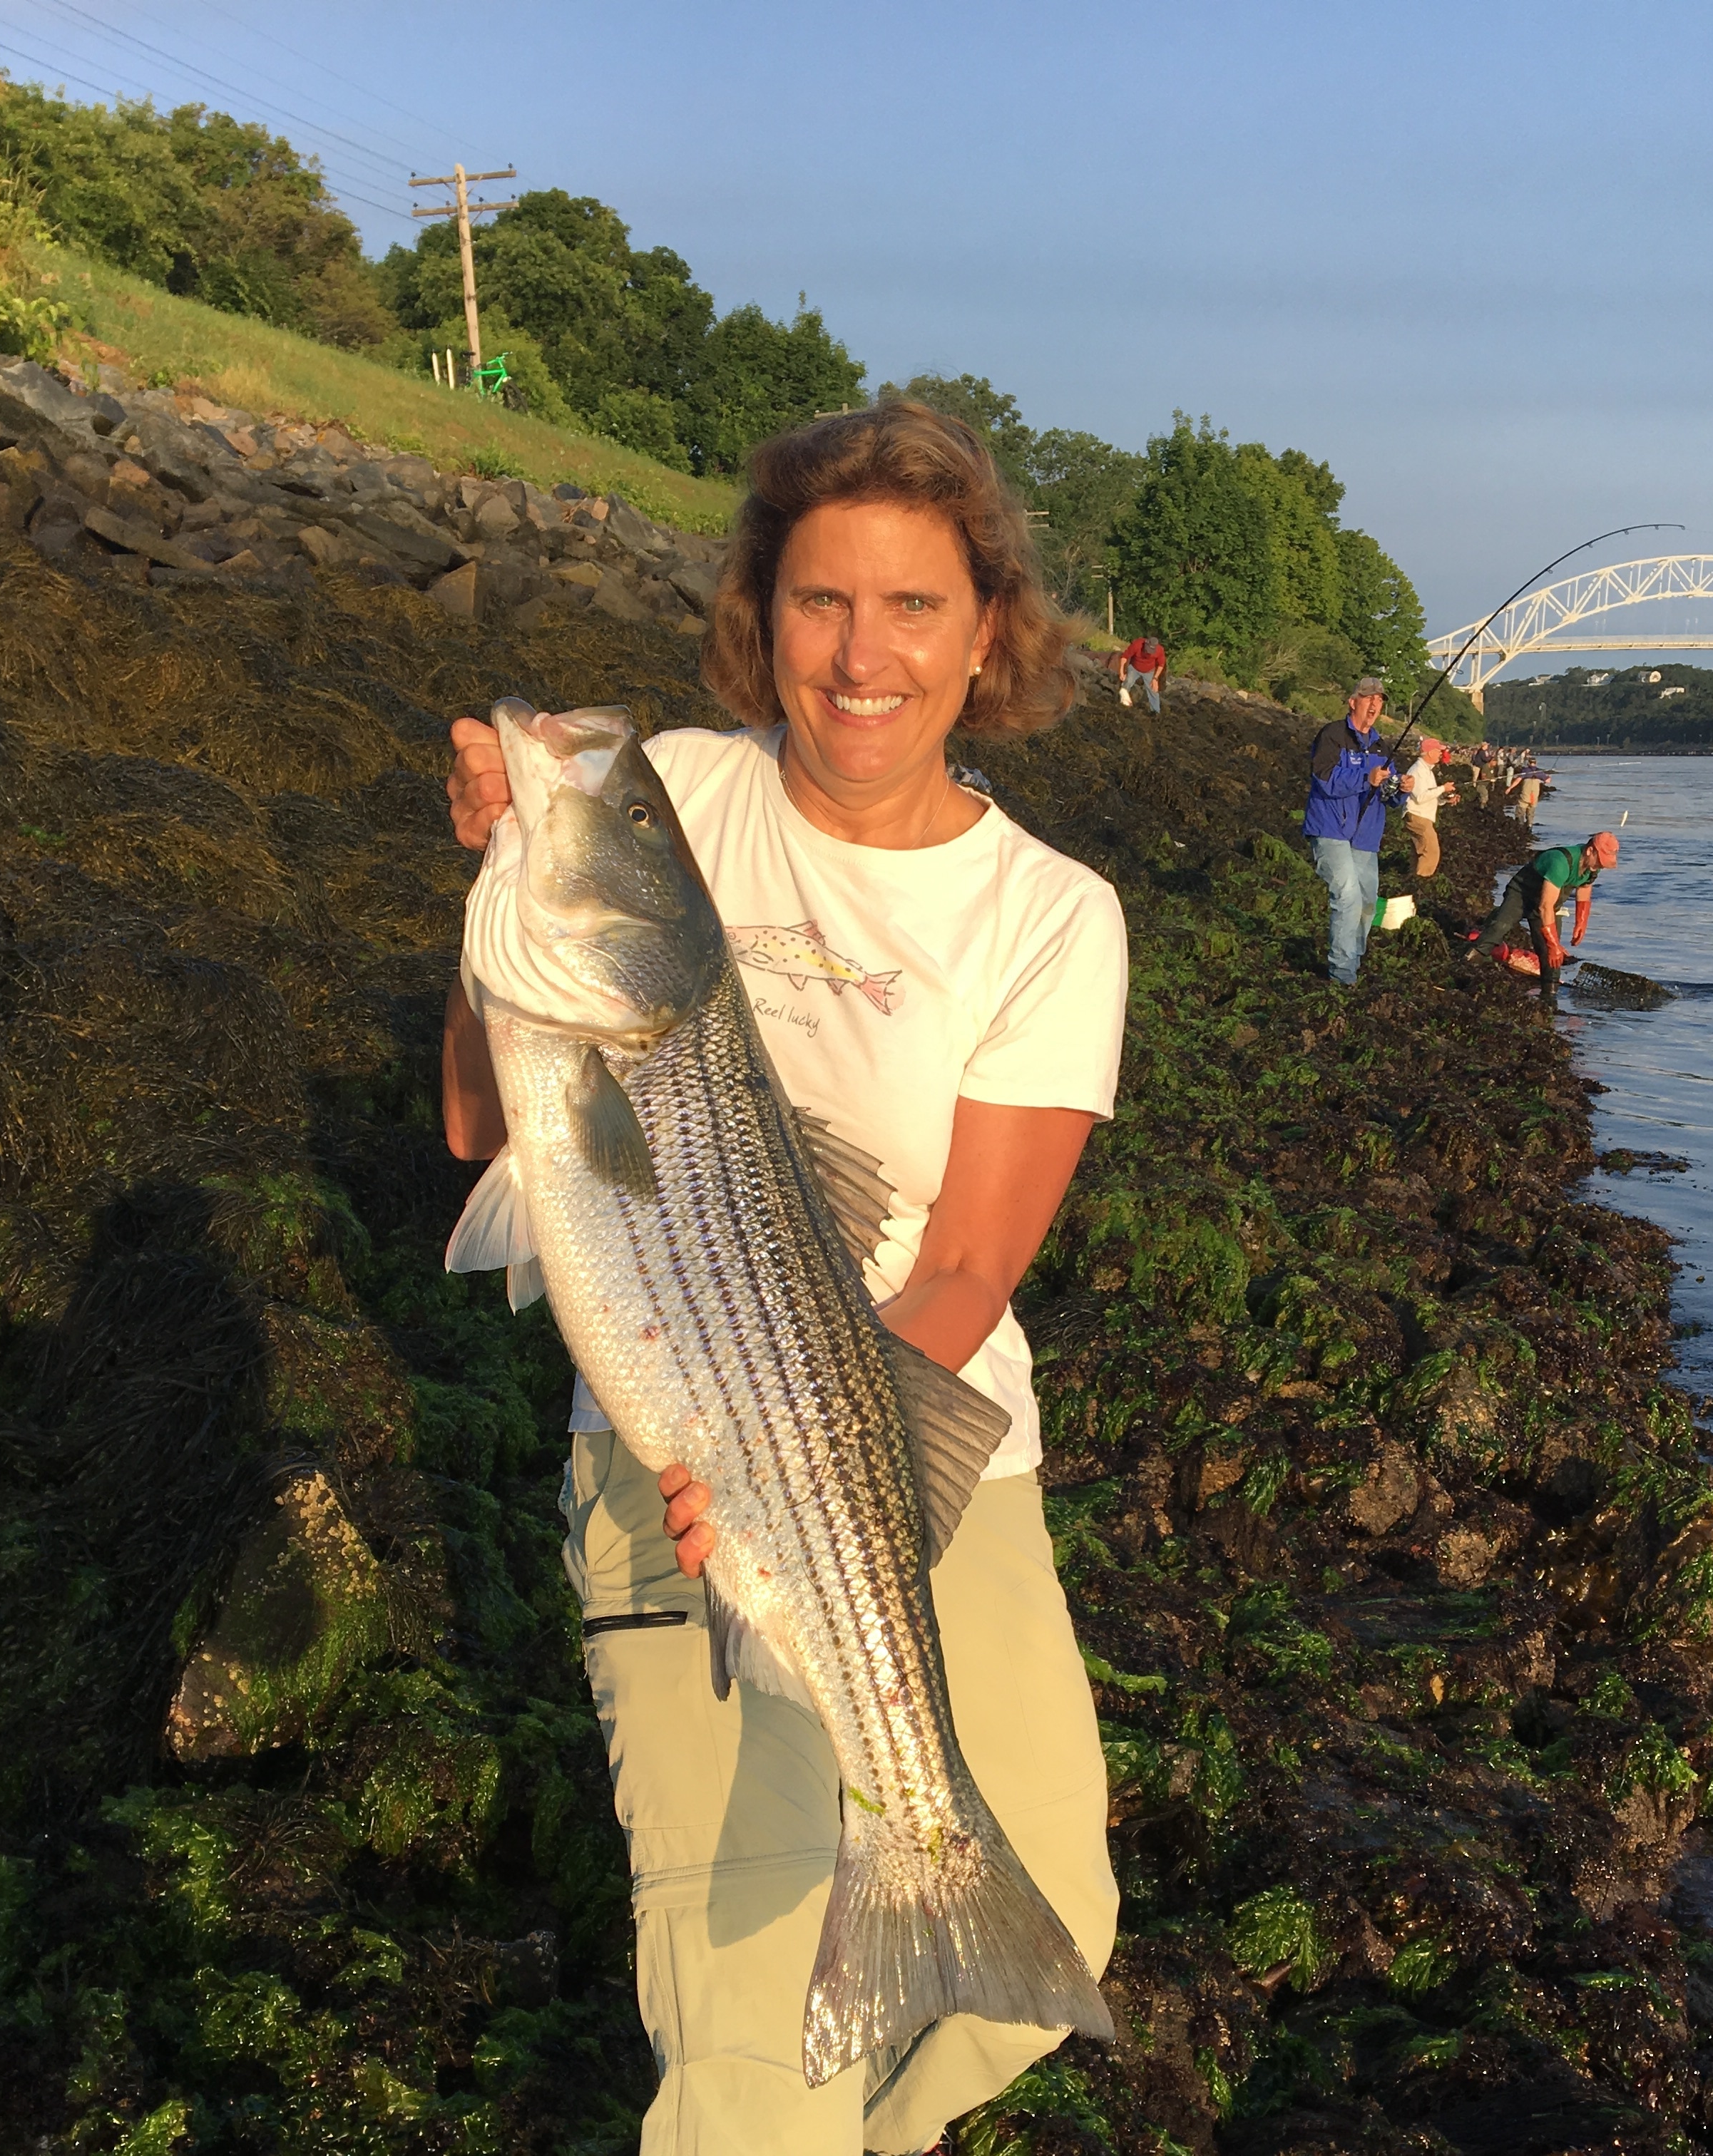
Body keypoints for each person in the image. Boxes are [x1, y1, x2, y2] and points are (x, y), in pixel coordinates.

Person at [442, 403, 1125, 2156]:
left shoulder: (1052, 914)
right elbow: (474, 1123)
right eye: (821, 602)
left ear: (991, 632)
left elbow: (969, 1258)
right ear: (766, 613)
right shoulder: (684, 788)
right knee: (754, 2067)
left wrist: (799, 1461)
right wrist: (504, 877)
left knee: (1054, 1921)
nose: (862, 655)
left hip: (912, 1438)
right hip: (667, 1457)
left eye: (913, 607)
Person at [1301, 674, 1395, 985]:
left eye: (1379, 700)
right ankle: (1343, 974)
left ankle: (1352, 957)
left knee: (1368, 903)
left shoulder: (1382, 745)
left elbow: (1390, 795)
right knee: (1348, 897)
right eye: (1368, 698)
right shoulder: (1332, 735)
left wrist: (1401, 788)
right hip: (1330, 830)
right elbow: (1324, 779)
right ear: (1353, 702)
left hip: (1366, 836)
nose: (1374, 705)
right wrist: (1365, 779)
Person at [1471, 829, 1620, 1003]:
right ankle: (1468, 963)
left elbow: (1585, 887)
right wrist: (1554, 943)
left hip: (1549, 904)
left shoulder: (1593, 866)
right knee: (1499, 927)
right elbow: (1544, 906)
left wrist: (1581, 923)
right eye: (1601, 861)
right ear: (1590, 851)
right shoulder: (1561, 862)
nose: (1601, 866)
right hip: (1522, 894)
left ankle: (1550, 998)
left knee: (1550, 957)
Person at [1397, 735, 1457, 881]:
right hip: (1417, 816)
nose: (1441, 754)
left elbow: (1430, 797)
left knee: (1419, 853)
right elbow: (1421, 797)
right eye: (1438, 751)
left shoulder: (1427, 771)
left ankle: (1413, 882)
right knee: (1431, 852)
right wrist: (1443, 788)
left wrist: (1445, 799)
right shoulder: (1417, 770)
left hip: (1422, 816)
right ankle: (1423, 882)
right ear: (1430, 752)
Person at [1116, 631, 1166, 714]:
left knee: (1153, 690)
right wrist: (1121, 672)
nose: (1148, 653)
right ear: (1146, 644)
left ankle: (1156, 711)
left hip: (1149, 671)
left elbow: (1161, 665)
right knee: (1127, 683)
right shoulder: (1137, 644)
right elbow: (1125, 657)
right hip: (1134, 668)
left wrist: (1155, 678)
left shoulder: (1160, 650)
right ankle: (1122, 704)